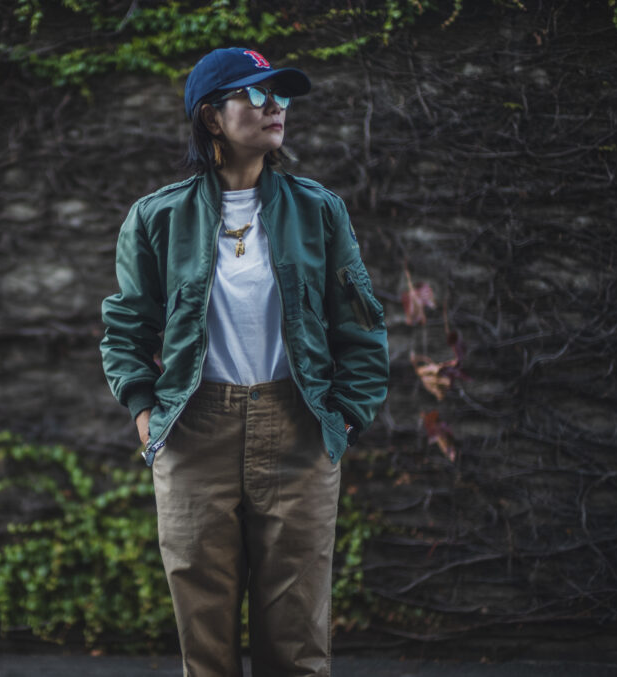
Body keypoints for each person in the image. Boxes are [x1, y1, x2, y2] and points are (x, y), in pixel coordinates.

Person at [100, 47, 389, 677]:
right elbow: (125, 328)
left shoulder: (319, 210)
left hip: (299, 427)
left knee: (298, 639)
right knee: (204, 640)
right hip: (193, 431)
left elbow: (362, 327)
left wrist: (345, 419)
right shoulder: (156, 217)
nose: (274, 107)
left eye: (280, 95)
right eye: (255, 95)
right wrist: (145, 413)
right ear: (211, 117)